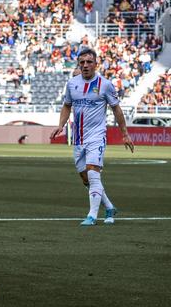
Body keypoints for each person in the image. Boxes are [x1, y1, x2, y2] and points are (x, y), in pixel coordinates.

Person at [50, 48, 134, 226]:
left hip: (96, 136)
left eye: (89, 62)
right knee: (85, 178)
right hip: (78, 138)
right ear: (78, 64)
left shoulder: (105, 84)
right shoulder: (72, 84)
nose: (85, 65)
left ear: (96, 64)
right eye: (82, 62)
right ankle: (109, 207)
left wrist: (125, 134)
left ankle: (92, 215)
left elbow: (116, 109)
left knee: (93, 173)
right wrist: (60, 125)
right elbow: (66, 106)